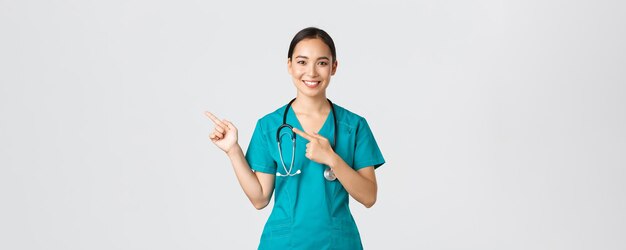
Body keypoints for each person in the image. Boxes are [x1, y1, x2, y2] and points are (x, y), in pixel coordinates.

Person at [205, 27, 385, 250]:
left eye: (321, 63)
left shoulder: (354, 126)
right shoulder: (269, 126)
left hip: (337, 243)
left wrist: (332, 159)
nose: (311, 72)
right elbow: (260, 198)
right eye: (302, 62)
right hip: (283, 243)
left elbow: (369, 197)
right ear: (289, 65)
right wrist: (233, 150)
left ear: (334, 67)